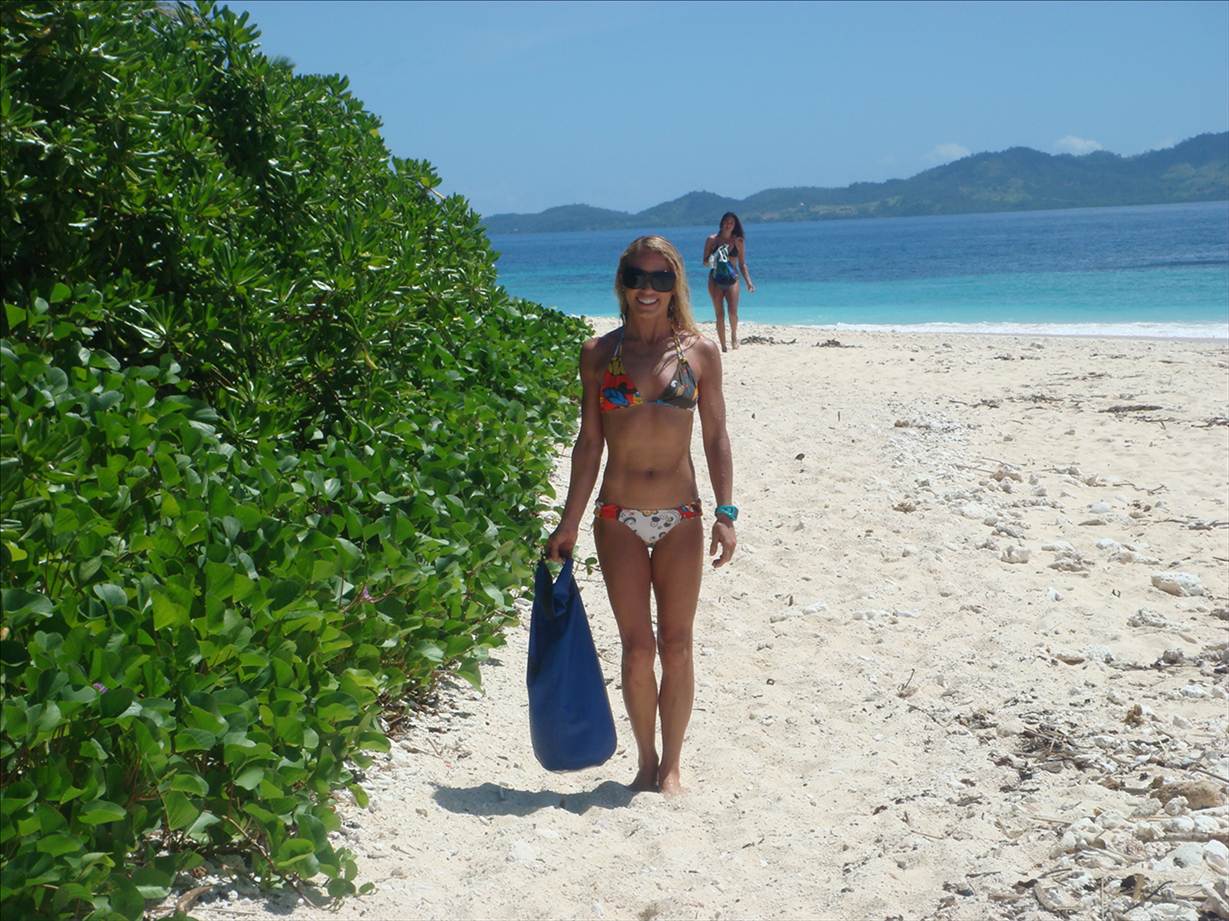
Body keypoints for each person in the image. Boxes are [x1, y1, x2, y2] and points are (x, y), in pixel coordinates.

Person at [545, 235, 737, 797]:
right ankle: (646, 762)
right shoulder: (598, 354)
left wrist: (726, 512)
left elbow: (716, 436)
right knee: (636, 648)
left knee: (677, 644)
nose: (647, 289)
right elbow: (589, 444)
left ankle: (672, 765)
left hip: (682, 515)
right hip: (616, 516)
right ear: (622, 283)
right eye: (637, 276)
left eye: (660, 278)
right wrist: (568, 522)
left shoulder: (701, 353)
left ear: (676, 284)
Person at [701, 212, 755, 352]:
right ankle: (723, 346)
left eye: (731, 222)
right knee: (719, 315)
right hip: (715, 278)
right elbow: (705, 262)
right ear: (722, 223)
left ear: (735, 225)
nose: (728, 225)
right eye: (726, 221)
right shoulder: (712, 240)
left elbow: (742, 264)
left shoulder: (738, 241)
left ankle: (734, 336)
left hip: (732, 279)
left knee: (732, 312)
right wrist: (717, 255)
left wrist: (749, 282)